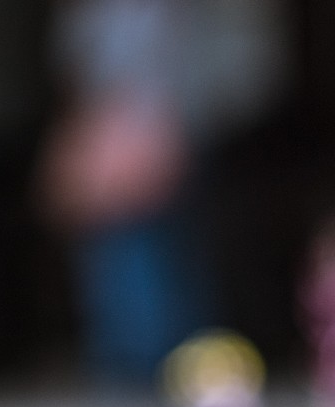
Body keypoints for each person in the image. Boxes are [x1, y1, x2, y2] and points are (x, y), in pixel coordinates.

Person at [44, 0, 285, 386]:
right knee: (119, 267)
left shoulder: (194, 17)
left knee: (165, 267)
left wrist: (174, 127)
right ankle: (132, 381)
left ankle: (177, 382)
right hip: (114, 153)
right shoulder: (99, 15)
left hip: (178, 146)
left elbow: (242, 72)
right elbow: (80, 76)